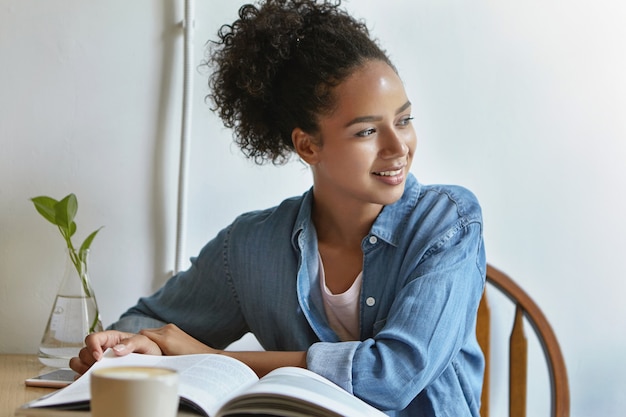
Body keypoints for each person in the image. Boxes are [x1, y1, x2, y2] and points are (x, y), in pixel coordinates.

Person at [70, 1, 486, 415]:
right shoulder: (251, 248)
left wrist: (202, 356)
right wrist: (120, 348)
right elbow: (146, 322)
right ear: (308, 145)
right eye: (367, 131)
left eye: (404, 120)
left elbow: (391, 378)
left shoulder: (449, 222)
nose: (398, 148)